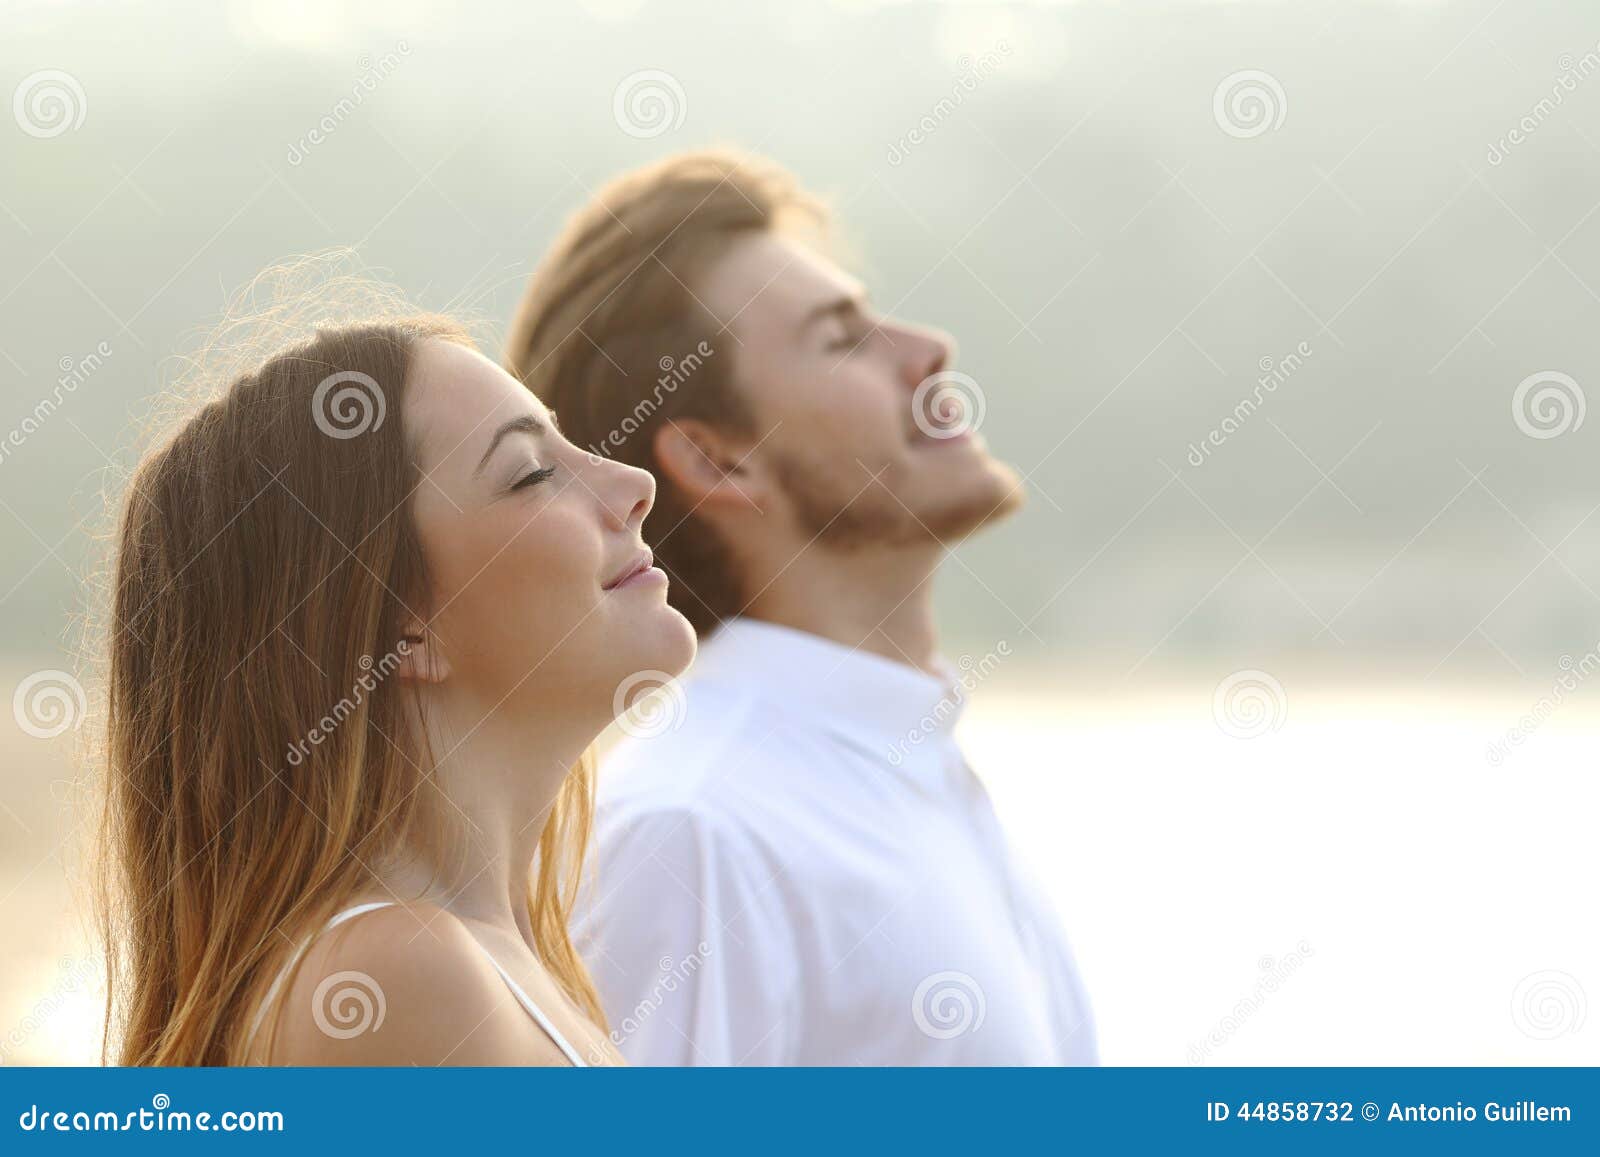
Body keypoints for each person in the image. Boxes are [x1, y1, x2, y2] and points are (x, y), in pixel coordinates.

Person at [505, 150, 1097, 1065]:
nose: (927, 347)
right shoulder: (694, 832)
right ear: (718, 459)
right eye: (842, 336)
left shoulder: (905, 769)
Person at [92, 277, 694, 1065]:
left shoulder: (506, 969)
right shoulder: (396, 978)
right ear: (397, 629)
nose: (633, 484)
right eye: (532, 473)